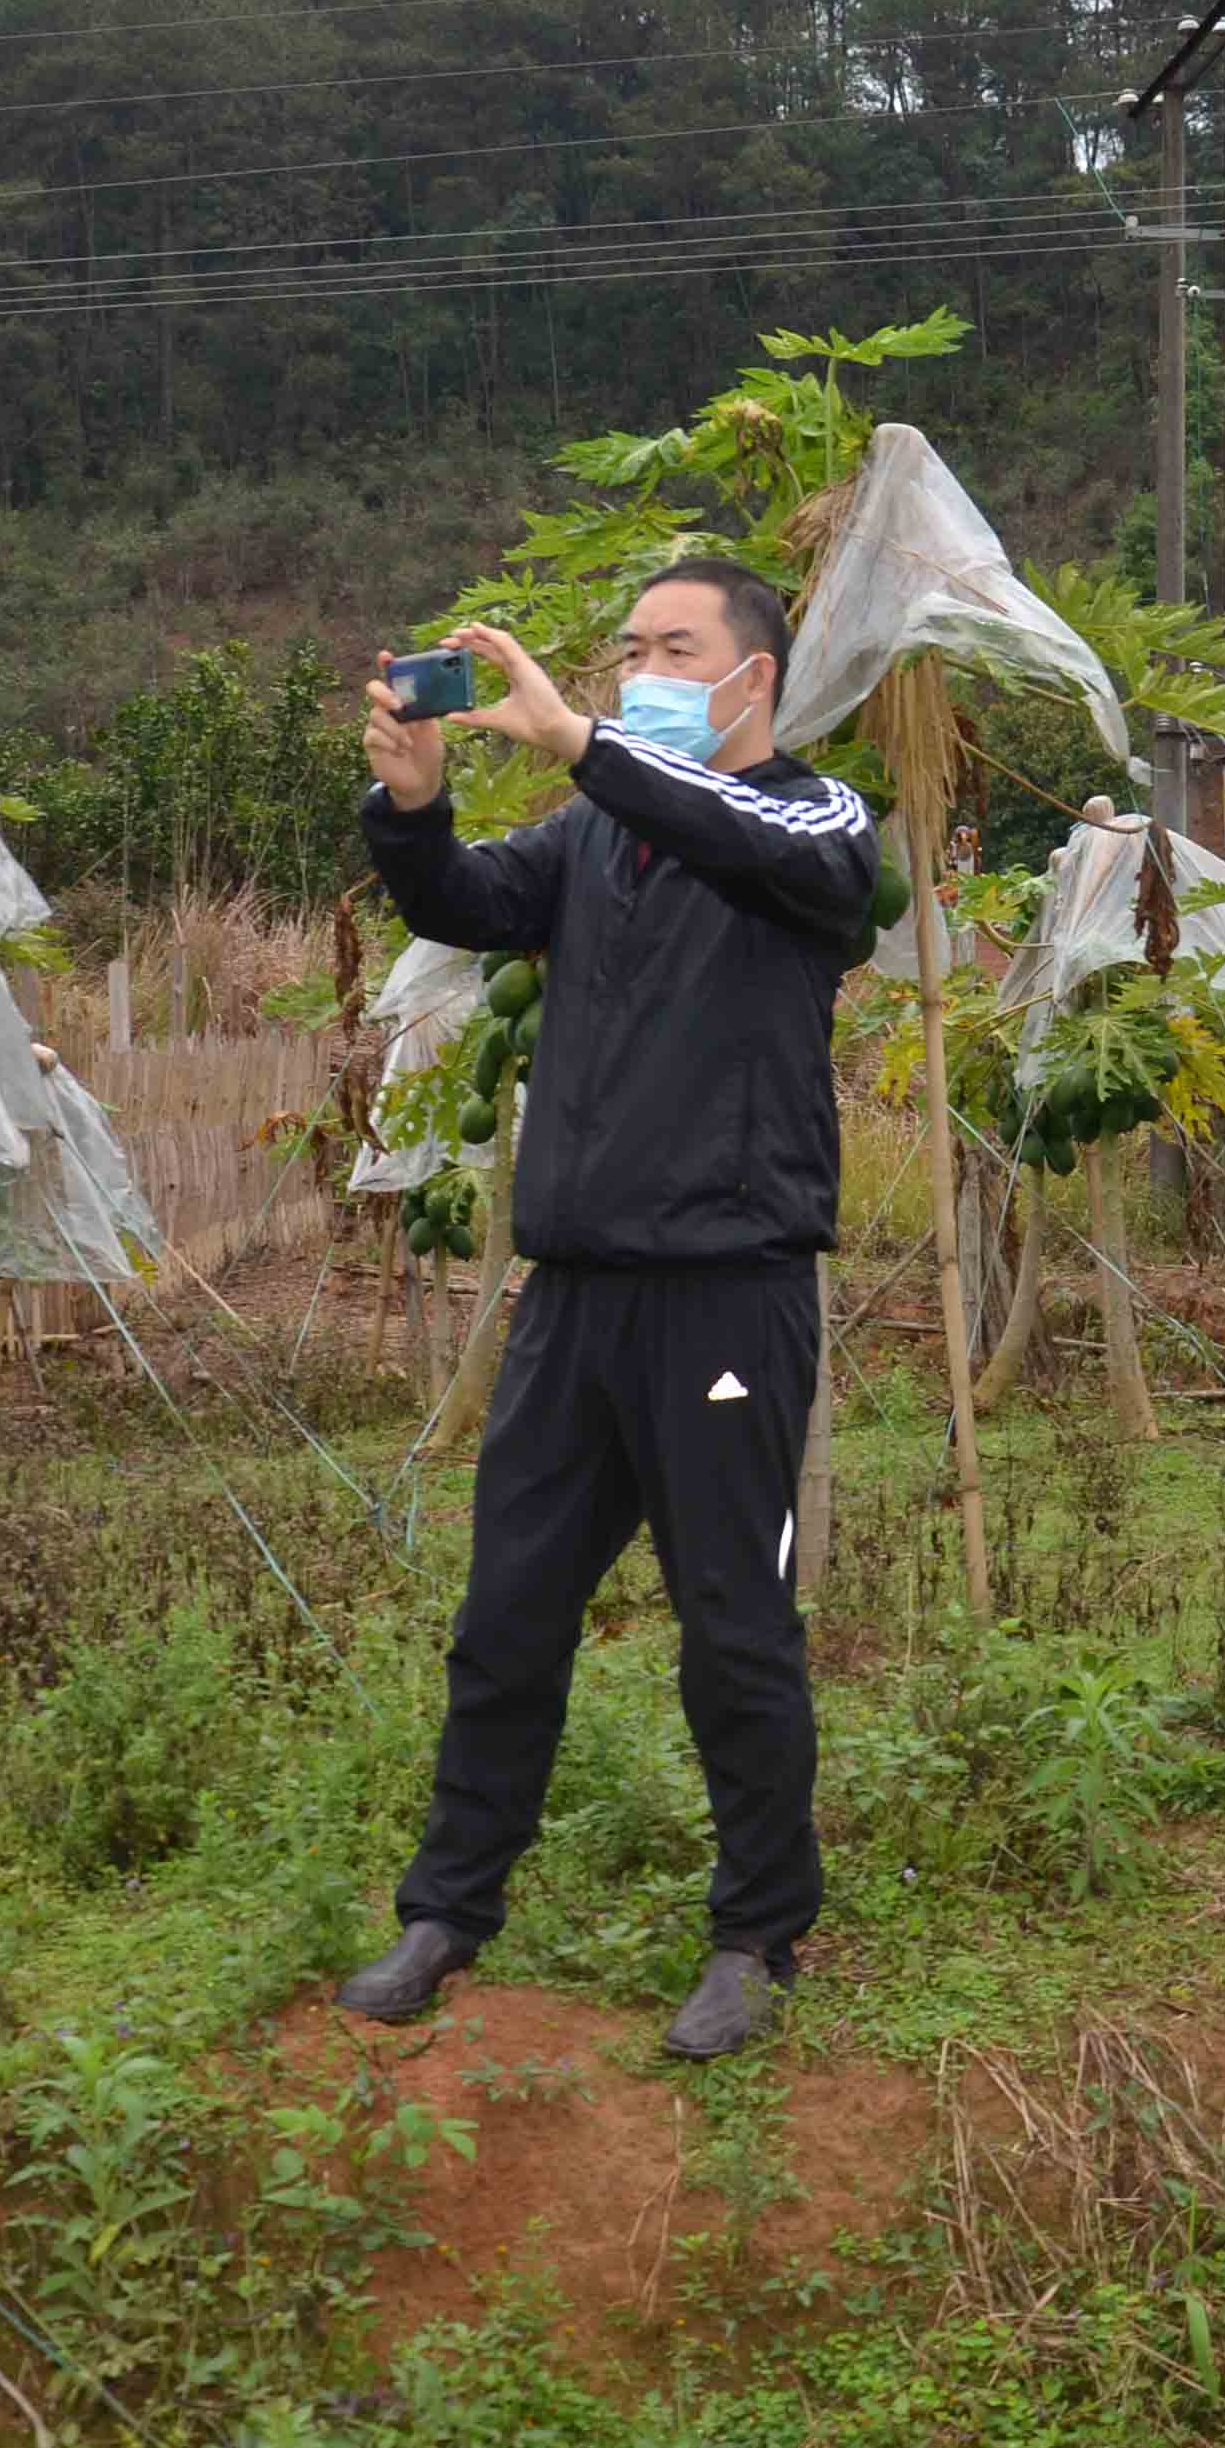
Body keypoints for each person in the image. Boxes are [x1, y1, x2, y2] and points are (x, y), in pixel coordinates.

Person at [333, 561, 878, 2062]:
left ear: (751, 678)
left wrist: (584, 740)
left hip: (726, 1292)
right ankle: (449, 1911)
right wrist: (417, 803)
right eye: (628, 648)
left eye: (672, 647)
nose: (640, 665)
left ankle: (758, 1934)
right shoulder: (593, 835)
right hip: (574, 1296)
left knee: (733, 1629)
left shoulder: (812, 819)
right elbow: (464, 898)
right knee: (509, 1613)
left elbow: (733, 831)